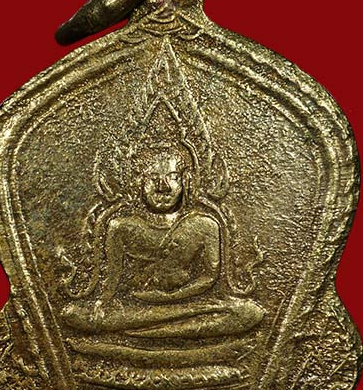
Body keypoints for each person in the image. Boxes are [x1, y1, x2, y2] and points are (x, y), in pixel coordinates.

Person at [62, 143, 264, 340]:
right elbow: (110, 283)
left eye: (173, 177)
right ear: (138, 183)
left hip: (187, 304)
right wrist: (102, 302)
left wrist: (172, 297)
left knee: (247, 312)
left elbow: (209, 278)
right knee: (74, 313)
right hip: (138, 306)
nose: (163, 187)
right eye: (153, 178)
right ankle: (169, 332)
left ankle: (151, 334)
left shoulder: (204, 225)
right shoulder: (121, 226)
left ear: (186, 182)